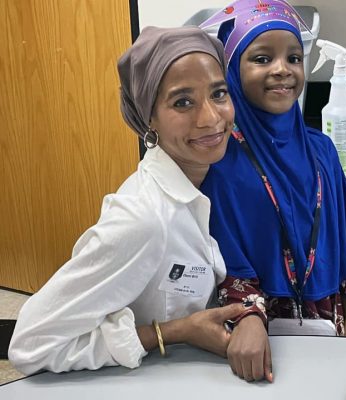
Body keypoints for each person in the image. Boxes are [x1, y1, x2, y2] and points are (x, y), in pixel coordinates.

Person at [8, 26, 242, 375]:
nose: (210, 118)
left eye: (218, 94)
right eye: (182, 102)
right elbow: (29, 345)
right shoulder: (143, 218)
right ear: (148, 118)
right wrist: (168, 333)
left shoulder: (212, 182)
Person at [200, 0, 346, 382]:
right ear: (233, 71)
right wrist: (250, 316)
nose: (282, 69)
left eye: (294, 58)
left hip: (332, 324)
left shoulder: (322, 151)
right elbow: (223, 260)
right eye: (262, 58)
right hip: (256, 336)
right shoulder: (221, 162)